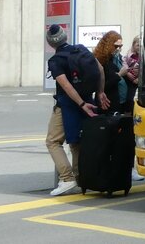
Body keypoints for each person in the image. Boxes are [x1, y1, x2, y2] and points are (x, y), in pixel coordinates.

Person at [44, 24, 101, 196]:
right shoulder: (80, 50)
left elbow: (66, 86)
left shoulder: (56, 60)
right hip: (87, 102)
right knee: (76, 142)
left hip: (68, 105)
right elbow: (100, 70)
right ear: (65, 36)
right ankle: (80, 177)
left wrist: (81, 104)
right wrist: (100, 92)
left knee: (53, 141)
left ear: (51, 43)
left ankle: (67, 178)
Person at [94, 31, 132, 113]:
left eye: (121, 46)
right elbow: (101, 86)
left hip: (122, 101)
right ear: (109, 45)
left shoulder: (119, 58)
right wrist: (119, 75)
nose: (119, 49)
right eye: (116, 46)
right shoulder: (101, 61)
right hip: (108, 103)